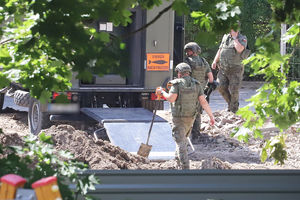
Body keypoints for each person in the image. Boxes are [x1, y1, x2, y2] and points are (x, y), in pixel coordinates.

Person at [156, 63, 215, 169]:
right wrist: (211, 116)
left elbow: (171, 99)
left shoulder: (176, 84)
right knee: (182, 139)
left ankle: (185, 167)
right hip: (191, 117)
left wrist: (163, 92)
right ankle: (177, 162)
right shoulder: (196, 84)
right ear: (188, 72)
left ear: (179, 73)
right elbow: (203, 102)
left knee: (180, 142)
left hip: (179, 117)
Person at [211, 28, 248, 113]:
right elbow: (220, 49)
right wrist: (215, 61)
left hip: (235, 69)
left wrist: (235, 37)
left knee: (234, 90)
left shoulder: (242, 38)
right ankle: (231, 105)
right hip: (223, 68)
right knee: (220, 86)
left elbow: (240, 49)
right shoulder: (225, 37)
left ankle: (234, 110)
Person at [183, 42, 214, 142]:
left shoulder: (187, 62)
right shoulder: (204, 61)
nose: (187, 52)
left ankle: (185, 135)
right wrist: (207, 90)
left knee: (186, 112)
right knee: (197, 114)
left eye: (189, 50)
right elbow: (211, 78)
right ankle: (196, 136)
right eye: (187, 51)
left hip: (189, 91)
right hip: (200, 91)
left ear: (194, 51)